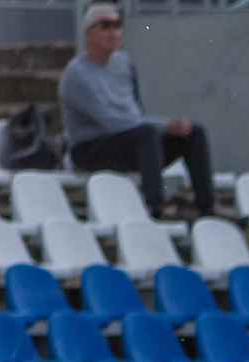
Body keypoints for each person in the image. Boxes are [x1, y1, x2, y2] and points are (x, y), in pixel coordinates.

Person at [60, 5, 215, 219]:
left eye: (117, 25)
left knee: (193, 133)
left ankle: (207, 209)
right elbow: (109, 122)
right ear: (89, 33)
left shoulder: (123, 63)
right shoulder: (76, 74)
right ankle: (156, 207)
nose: (114, 32)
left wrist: (165, 128)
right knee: (147, 133)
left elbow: (136, 112)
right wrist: (164, 125)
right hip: (90, 147)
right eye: (106, 26)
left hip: (129, 141)